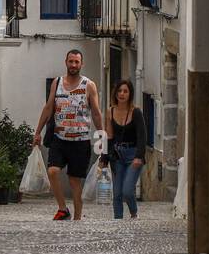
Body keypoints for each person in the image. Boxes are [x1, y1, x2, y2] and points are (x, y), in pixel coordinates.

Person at [33, 49, 103, 221]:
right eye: (71, 61)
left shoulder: (89, 85)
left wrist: (102, 135)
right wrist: (37, 132)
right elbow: (48, 108)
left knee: (74, 181)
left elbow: (96, 113)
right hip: (59, 138)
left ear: (81, 64)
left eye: (76, 62)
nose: (73, 65)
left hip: (81, 141)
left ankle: (77, 218)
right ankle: (63, 208)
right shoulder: (57, 83)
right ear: (66, 62)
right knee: (53, 171)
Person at [100, 79, 147, 220]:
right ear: (115, 94)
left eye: (125, 91)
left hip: (133, 155)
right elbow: (108, 137)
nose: (122, 94)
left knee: (127, 190)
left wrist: (139, 156)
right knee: (117, 193)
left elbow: (142, 136)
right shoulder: (110, 111)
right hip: (117, 156)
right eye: (119, 91)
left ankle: (134, 213)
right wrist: (104, 158)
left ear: (130, 94)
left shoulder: (136, 112)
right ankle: (118, 220)